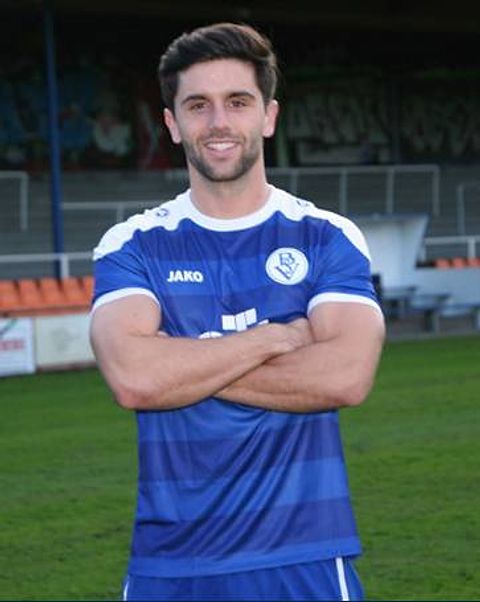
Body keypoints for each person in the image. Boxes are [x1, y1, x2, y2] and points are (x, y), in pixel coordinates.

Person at [89, 22, 385, 602]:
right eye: (198, 105)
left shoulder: (327, 237)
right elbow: (135, 379)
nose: (219, 122)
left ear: (269, 116)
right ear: (173, 124)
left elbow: (346, 377)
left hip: (305, 555)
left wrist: (182, 363)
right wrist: (275, 338)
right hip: (171, 563)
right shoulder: (132, 244)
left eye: (238, 102)